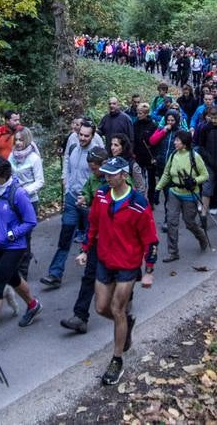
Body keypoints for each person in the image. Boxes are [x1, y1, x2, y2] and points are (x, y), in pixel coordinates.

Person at [76, 157, 158, 386]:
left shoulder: (139, 204)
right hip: (104, 259)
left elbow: (150, 240)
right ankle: (125, 324)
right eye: (106, 174)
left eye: (112, 174)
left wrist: (149, 270)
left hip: (128, 265)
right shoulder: (101, 196)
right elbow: (93, 224)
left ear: (124, 175)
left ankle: (116, 359)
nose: (107, 177)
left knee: (117, 308)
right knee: (101, 307)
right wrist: (85, 249)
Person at [0, 157, 42, 334]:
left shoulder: (18, 193)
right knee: (12, 277)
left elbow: (31, 221)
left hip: (15, 247)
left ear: (2, 175)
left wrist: (11, 234)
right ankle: (33, 304)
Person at [40, 120, 101, 287]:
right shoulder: (74, 147)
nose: (82, 138)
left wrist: (90, 198)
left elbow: (100, 180)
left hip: (88, 203)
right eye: (80, 134)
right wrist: (66, 185)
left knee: (91, 240)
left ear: (93, 136)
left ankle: (95, 276)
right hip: (72, 200)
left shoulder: (96, 155)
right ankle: (55, 274)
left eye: (86, 136)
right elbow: (68, 166)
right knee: (65, 236)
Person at [60, 146, 109, 334]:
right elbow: (88, 193)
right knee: (89, 275)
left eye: (95, 168)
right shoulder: (93, 179)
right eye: (91, 168)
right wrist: (85, 199)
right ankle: (80, 317)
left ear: (104, 164)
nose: (92, 171)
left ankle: (124, 302)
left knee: (114, 274)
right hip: (97, 233)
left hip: (115, 237)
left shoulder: (118, 179)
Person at [155, 131, 208, 261]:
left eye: (177, 140)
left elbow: (205, 175)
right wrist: (158, 189)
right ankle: (173, 252)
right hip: (174, 192)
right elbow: (167, 173)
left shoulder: (194, 156)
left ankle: (202, 237)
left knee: (189, 223)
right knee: (172, 222)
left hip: (190, 194)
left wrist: (195, 181)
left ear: (184, 143)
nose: (174, 142)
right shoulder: (173, 155)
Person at [9, 127, 44, 280]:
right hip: (13, 201)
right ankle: (14, 268)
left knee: (25, 235)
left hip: (29, 201)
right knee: (13, 235)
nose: (18, 143)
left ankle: (22, 272)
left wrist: (24, 191)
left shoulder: (34, 158)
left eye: (21, 140)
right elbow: (8, 175)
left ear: (27, 140)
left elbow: (40, 181)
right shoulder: (12, 156)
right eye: (16, 139)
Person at [133, 104, 158, 206]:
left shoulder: (153, 125)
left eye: (141, 113)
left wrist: (155, 155)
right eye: (137, 113)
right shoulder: (136, 124)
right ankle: (140, 200)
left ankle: (151, 201)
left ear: (146, 113)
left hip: (149, 156)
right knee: (139, 179)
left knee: (151, 180)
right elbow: (133, 139)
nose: (138, 115)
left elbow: (155, 141)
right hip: (138, 156)